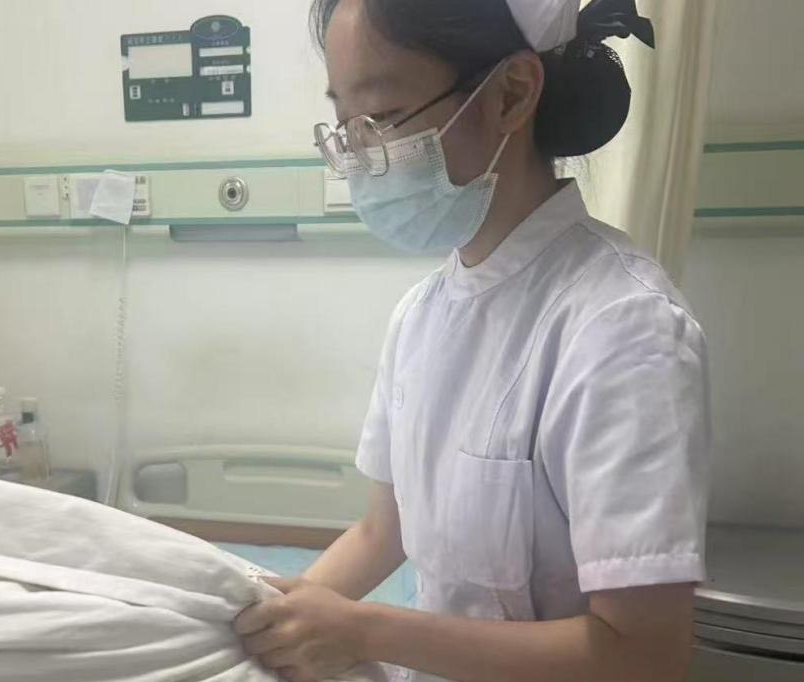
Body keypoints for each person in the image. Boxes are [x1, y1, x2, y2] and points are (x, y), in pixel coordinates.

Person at [234, 1, 710, 681]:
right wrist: (261, 624)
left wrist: (364, 631)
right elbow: (382, 532)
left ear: (510, 94)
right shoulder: (421, 316)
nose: (361, 153)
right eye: (346, 125)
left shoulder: (624, 329)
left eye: (381, 116)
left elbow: (644, 653)